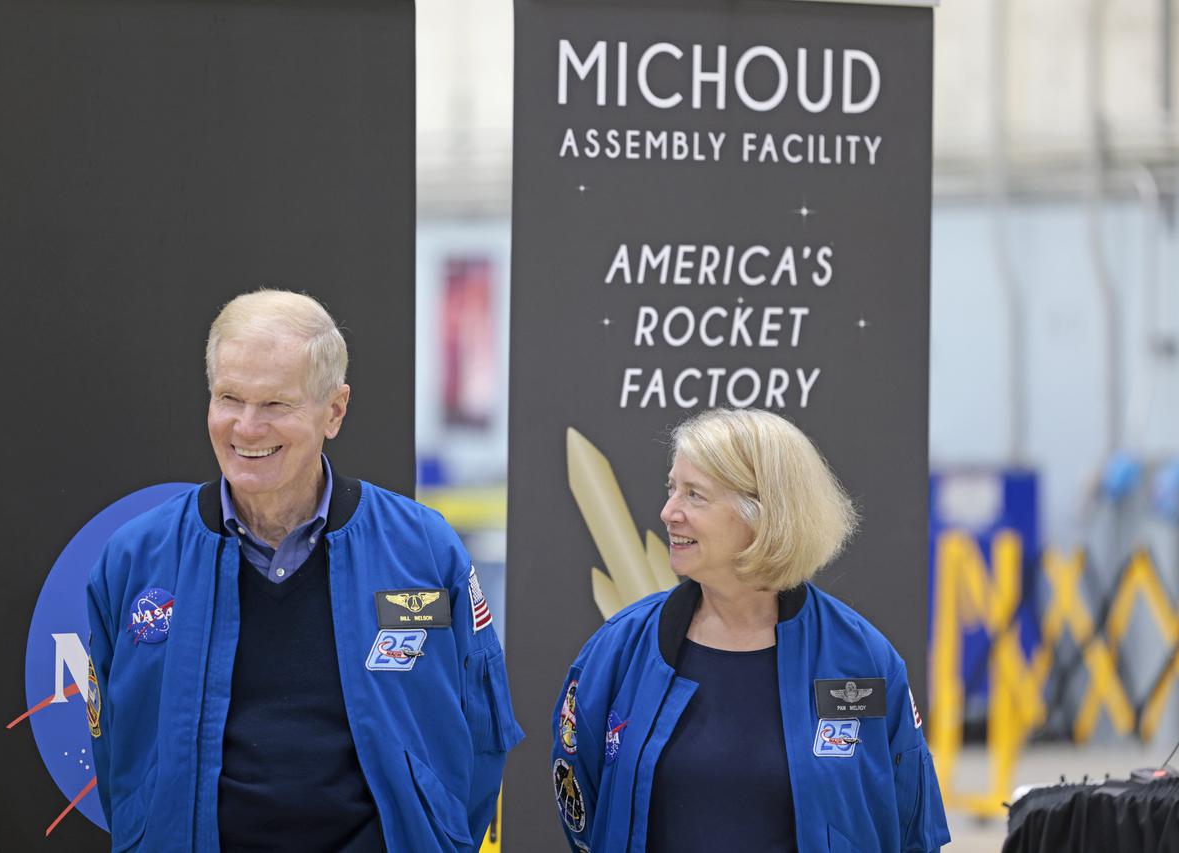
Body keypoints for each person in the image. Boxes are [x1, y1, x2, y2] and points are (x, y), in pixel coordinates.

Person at [87, 289, 523, 853]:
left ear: (334, 411)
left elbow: (483, 730)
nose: (247, 427)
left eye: (275, 404)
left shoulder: (423, 549)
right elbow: (112, 745)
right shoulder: (135, 557)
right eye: (229, 398)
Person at [551, 408, 949, 852]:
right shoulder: (619, 649)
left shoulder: (862, 658)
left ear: (762, 515)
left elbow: (911, 826)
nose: (668, 512)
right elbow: (580, 803)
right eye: (671, 488)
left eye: (695, 495)